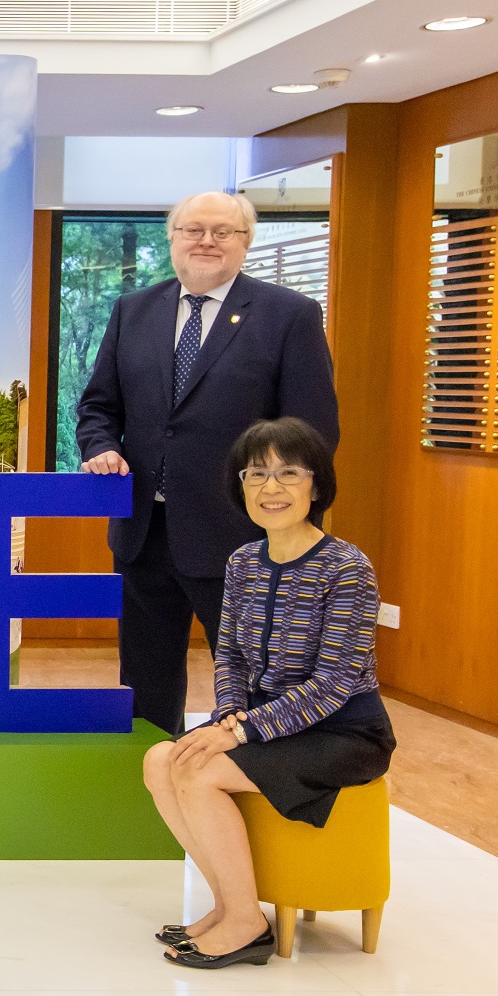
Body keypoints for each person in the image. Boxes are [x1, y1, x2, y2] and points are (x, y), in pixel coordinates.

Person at [76, 191, 338, 735]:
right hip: (144, 532)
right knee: (145, 679)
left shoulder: (290, 315)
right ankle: (148, 780)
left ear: (246, 242)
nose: (207, 241)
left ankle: (248, 791)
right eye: (194, 230)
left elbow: (312, 431)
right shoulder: (133, 310)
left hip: (243, 536)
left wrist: (279, 506)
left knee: (255, 682)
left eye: (224, 231)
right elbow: (99, 405)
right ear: (172, 239)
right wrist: (101, 446)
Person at [141, 418, 393, 969]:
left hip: (343, 732)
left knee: (200, 771)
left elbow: (333, 684)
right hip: (262, 724)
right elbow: (227, 653)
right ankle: (232, 905)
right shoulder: (242, 563)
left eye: (288, 474)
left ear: (316, 487)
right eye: (256, 475)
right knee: (163, 760)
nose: (270, 488)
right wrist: (227, 715)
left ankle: (244, 925)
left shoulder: (347, 568)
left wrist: (238, 731)